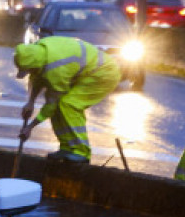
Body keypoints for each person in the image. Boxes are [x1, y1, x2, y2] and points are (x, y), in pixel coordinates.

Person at [15, 36, 122, 164]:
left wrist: (30, 127)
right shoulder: (37, 50)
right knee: (61, 107)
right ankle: (67, 147)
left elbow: (51, 105)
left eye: (27, 70)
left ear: (34, 66)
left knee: (68, 104)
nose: (28, 73)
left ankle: (81, 151)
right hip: (89, 72)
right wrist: (30, 102)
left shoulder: (56, 69)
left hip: (104, 73)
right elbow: (36, 77)